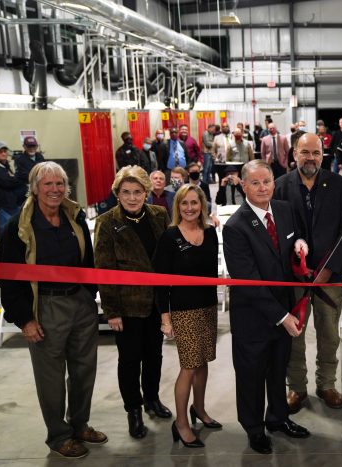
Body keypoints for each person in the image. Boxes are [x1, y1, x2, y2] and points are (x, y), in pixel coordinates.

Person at [0, 161, 107, 458]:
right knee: (51, 377)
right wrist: (25, 320)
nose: (55, 190)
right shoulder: (19, 225)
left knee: (84, 370)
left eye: (60, 184)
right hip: (44, 306)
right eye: (48, 184)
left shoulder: (74, 217)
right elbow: (7, 276)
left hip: (80, 304)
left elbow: (88, 260)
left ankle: (79, 424)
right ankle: (59, 436)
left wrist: (89, 293)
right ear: (34, 188)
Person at [223, 160, 310, 455]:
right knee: (250, 375)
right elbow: (249, 282)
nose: (263, 188)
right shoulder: (235, 227)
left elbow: (293, 240)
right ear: (244, 186)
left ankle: (277, 418)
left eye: (267, 181)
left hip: (283, 309)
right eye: (256, 183)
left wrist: (299, 243)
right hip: (253, 317)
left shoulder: (284, 211)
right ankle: (254, 428)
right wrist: (283, 316)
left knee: (277, 370)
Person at [274, 133, 342, 414]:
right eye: (305, 152)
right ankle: (296, 387)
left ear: (324, 155)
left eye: (316, 153)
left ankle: (327, 384)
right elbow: (276, 234)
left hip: (329, 279)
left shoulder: (339, 185)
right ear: (294, 153)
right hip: (293, 279)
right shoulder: (280, 187)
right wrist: (295, 268)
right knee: (294, 336)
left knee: (329, 335)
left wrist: (329, 269)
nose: (310, 158)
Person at [94, 165, 172, 440]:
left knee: (155, 356)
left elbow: (167, 257)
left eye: (137, 192)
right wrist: (111, 311)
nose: (132, 197)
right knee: (129, 360)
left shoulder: (159, 215)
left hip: (156, 303)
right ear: (117, 193)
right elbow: (104, 269)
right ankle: (134, 409)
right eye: (125, 192)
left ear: (146, 192)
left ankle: (152, 398)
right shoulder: (107, 222)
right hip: (127, 306)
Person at [154, 183, 221, 449]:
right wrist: (165, 318)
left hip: (208, 306)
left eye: (194, 203)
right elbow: (160, 281)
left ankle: (200, 410)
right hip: (183, 310)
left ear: (202, 205)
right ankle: (181, 423)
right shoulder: (170, 237)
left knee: (203, 362)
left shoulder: (211, 232)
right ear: (178, 206)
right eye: (184, 203)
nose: (190, 208)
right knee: (189, 366)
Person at [0, 141, 26, 235]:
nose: (3, 153)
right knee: (7, 234)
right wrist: (19, 179)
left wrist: (16, 179)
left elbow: (13, 180)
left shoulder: (5, 165)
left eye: (5, 151)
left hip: (13, 204)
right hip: (5, 207)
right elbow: (8, 183)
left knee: (16, 232)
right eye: (0, 151)